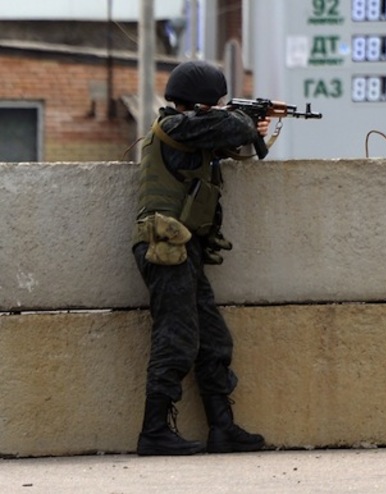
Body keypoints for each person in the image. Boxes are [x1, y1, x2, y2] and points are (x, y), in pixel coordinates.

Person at [131, 60, 270, 456]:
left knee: (212, 339)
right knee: (176, 337)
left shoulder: (192, 131)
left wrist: (251, 128)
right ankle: (154, 431)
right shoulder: (174, 126)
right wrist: (244, 119)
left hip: (182, 245)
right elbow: (234, 128)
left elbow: (235, 138)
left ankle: (222, 428)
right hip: (164, 245)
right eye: (215, 104)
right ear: (198, 105)